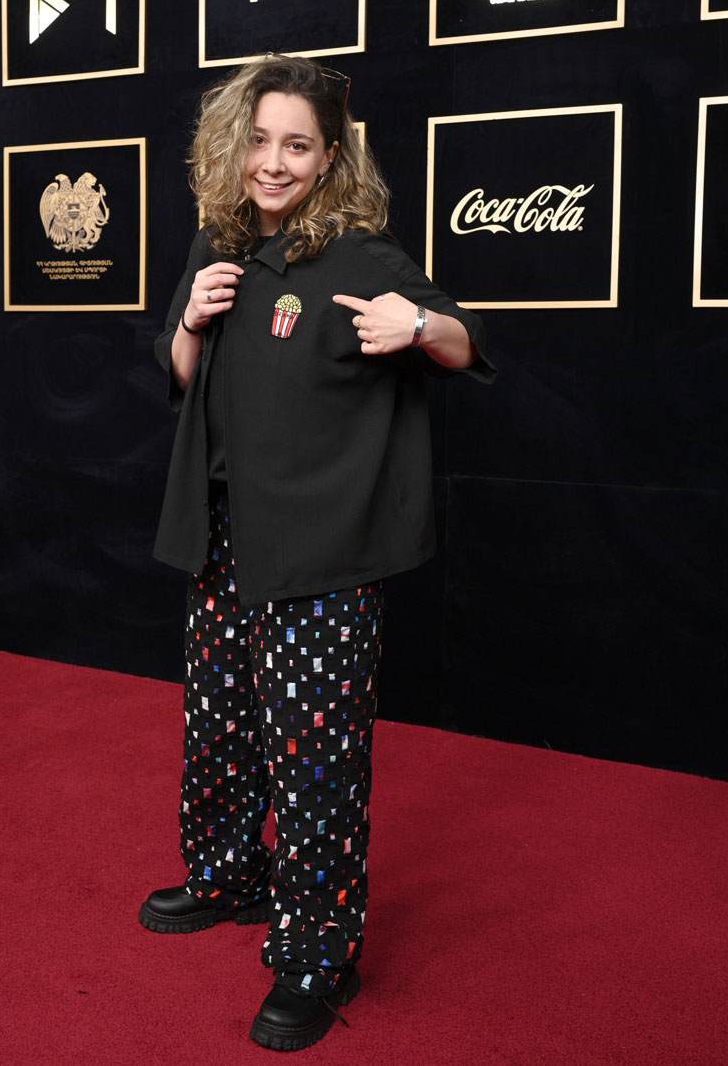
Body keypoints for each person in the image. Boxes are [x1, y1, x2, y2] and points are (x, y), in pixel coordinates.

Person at [140, 54, 495, 1052]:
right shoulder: (219, 243)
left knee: (314, 757)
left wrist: (415, 323)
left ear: (330, 156)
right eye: (258, 139)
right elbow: (179, 372)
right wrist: (191, 320)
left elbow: (465, 343)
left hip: (321, 551)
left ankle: (316, 951)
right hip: (222, 538)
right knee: (217, 729)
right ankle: (226, 875)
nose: (272, 161)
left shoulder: (360, 255)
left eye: (296, 145)